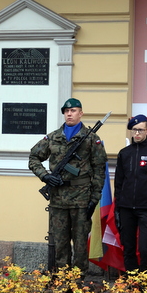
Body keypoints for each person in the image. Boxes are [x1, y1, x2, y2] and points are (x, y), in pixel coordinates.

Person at [28, 98, 107, 279]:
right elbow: (33, 157)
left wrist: (94, 198)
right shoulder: (53, 137)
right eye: (66, 111)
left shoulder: (91, 139)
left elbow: (99, 170)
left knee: (80, 245)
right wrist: (45, 176)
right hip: (58, 199)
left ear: (81, 113)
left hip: (81, 199)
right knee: (60, 244)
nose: (69, 114)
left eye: (73, 110)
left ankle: (76, 283)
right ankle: (61, 281)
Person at [114, 114, 147, 274]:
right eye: (134, 130)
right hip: (126, 208)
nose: (137, 133)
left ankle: (145, 283)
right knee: (128, 248)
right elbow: (118, 183)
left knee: (145, 248)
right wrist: (117, 209)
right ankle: (132, 283)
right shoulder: (124, 153)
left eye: (140, 130)